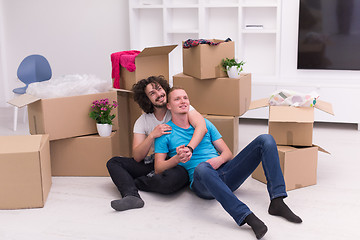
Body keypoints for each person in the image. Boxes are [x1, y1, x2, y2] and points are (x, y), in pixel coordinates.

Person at [154, 87, 302, 239]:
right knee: (202, 167)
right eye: (177, 99)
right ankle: (246, 216)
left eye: (185, 97)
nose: (183, 101)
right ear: (169, 106)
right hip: (203, 183)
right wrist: (177, 159)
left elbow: (227, 153)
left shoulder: (204, 124)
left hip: (226, 173)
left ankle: (277, 201)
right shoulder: (166, 132)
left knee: (266, 139)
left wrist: (218, 159)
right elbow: (158, 168)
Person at [107, 76, 207, 211]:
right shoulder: (142, 121)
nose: (159, 94)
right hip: (157, 160)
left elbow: (202, 126)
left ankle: (135, 181)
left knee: (169, 183)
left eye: (159, 89)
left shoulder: (178, 105)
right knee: (114, 162)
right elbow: (137, 157)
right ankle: (132, 196)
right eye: (152, 93)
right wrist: (152, 136)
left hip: (179, 162)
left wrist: (189, 148)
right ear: (147, 99)